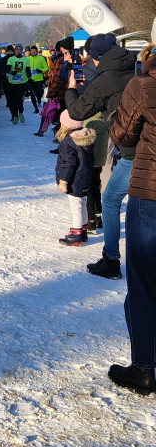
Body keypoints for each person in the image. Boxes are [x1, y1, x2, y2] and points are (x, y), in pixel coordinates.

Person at [64, 33, 137, 279]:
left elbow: (77, 111)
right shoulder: (135, 68)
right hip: (145, 143)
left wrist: (71, 89)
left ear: (96, 58)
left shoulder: (105, 80)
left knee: (111, 199)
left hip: (133, 151)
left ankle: (111, 259)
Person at [107, 36, 156, 396]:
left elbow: (122, 133)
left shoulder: (143, 84)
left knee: (142, 280)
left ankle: (143, 367)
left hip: (150, 192)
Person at [55, 110, 96, 245]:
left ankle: (76, 233)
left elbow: (68, 163)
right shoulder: (87, 136)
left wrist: (63, 181)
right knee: (82, 203)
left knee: (76, 206)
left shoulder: (68, 142)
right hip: (85, 176)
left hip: (74, 179)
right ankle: (83, 230)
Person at [5, 44, 31, 124]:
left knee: (19, 99)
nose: (18, 51)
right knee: (13, 100)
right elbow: (7, 69)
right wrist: (11, 72)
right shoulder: (11, 59)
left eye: (20, 49)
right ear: (15, 51)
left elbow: (28, 70)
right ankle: (15, 115)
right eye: (17, 49)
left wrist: (30, 80)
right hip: (12, 82)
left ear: (22, 51)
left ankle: (20, 113)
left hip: (22, 82)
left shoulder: (26, 60)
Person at [27, 46, 49, 113]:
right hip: (30, 79)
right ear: (30, 51)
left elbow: (46, 68)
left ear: (37, 51)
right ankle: (36, 108)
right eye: (32, 50)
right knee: (32, 94)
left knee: (39, 93)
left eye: (34, 50)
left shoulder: (41, 58)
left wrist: (40, 71)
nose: (33, 51)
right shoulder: (27, 59)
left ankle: (39, 99)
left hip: (39, 79)